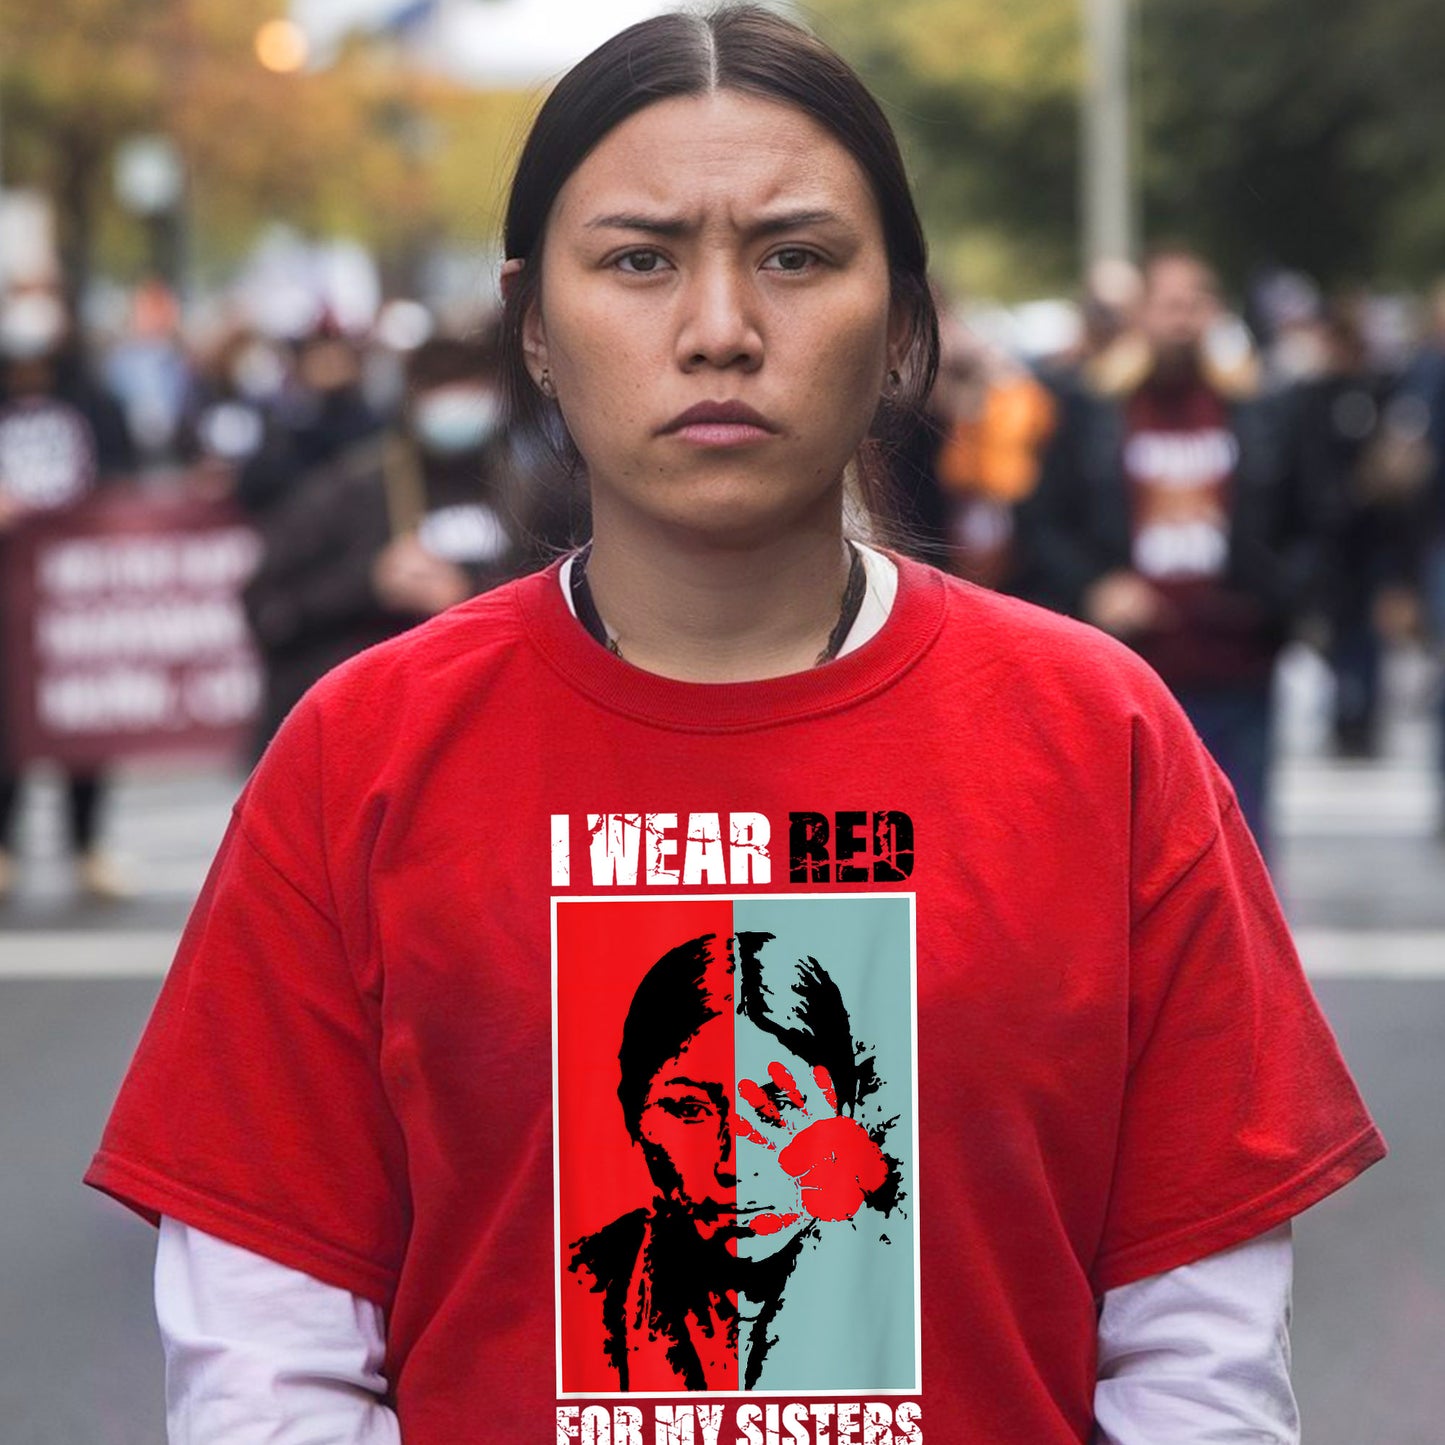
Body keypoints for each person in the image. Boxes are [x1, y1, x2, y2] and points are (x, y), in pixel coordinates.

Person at [87, 9, 1384, 1443]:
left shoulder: (1102, 738)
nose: (719, 330)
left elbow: (1199, 1363)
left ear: (901, 321)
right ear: (531, 322)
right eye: (638, 261)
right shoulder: (364, 755)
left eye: (797, 257)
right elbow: (271, 1370)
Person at [1018, 248, 1319, 857]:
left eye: (1195, 303)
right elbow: (1041, 522)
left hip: (1238, 666)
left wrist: (1274, 598)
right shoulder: (1092, 411)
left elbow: (1311, 519)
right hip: (1131, 673)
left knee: (1241, 849)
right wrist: (1094, 586)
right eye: (1167, 304)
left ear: (1214, 313)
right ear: (1142, 314)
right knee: (1133, 855)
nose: (1181, 318)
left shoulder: (1260, 411)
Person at [565, 928, 902, 1393]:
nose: (734, 1167)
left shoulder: (909, 1281)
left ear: (844, 1109)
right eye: (688, 1110)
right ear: (633, 1117)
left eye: (778, 1105)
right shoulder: (571, 1290)